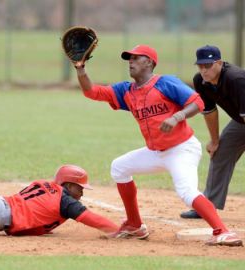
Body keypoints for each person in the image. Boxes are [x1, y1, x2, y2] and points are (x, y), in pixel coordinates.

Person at [73, 44, 243, 246]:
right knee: (119, 167)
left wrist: (176, 117)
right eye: (130, 58)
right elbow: (92, 92)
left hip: (182, 149)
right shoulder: (126, 91)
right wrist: (81, 69)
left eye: (136, 58)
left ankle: (223, 232)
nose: (131, 61)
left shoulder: (165, 83)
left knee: (187, 192)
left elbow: (197, 102)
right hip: (157, 152)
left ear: (150, 63)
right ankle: (135, 225)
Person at [180, 45, 245, 219]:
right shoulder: (201, 82)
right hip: (241, 122)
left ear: (219, 63)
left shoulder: (236, 79)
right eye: (200, 66)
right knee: (221, 153)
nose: (203, 70)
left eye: (207, 65)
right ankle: (207, 206)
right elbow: (209, 112)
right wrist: (215, 140)